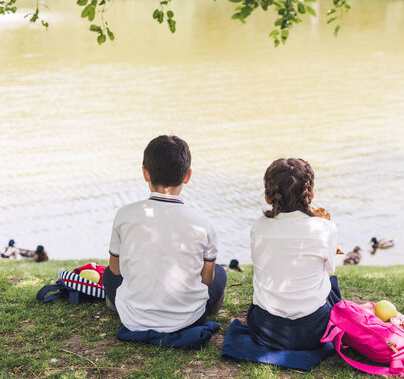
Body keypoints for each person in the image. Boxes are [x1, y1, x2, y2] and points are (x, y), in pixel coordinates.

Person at [102, 135, 226, 333]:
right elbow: (207, 280)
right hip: (189, 319)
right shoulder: (203, 223)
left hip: (134, 319)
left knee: (108, 275)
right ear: (188, 175)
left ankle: (119, 304)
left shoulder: (124, 214)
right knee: (219, 272)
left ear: (145, 173)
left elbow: (115, 269)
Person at [247, 158, 341, 350]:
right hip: (314, 330)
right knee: (331, 286)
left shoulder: (258, 227)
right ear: (311, 194)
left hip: (267, 330)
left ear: (267, 196)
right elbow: (329, 269)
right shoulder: (325, 228)